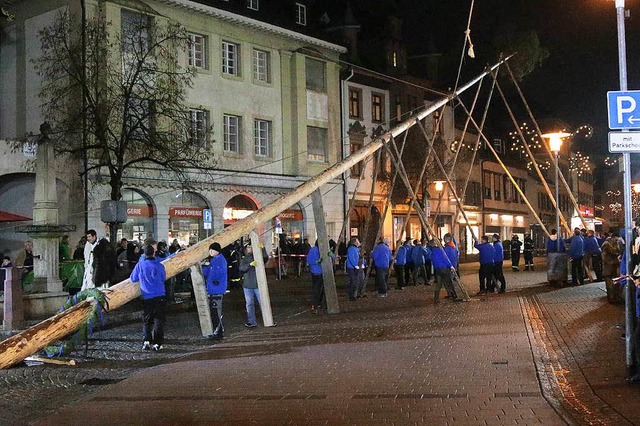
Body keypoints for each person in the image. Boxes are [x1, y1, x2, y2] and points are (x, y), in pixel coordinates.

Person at [131, 244, 166, 351]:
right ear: (154, 253)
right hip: (159, 295)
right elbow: (163, 278)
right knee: (158, 320)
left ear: (144, 254)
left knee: (147, 320)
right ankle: (157, 343)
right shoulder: (160, 266)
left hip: (147, 296)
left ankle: (147, 340)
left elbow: (133, 278)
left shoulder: (140, 265)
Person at [239, 242, 268, 327]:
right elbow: (241, 268)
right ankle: (251, 321)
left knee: (262, 303)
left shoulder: (258, 256)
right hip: (248, 285)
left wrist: (263, 249)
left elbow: (265, 258)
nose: (249, 249)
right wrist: (250, 265)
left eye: (250, 247)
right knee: (249, 304)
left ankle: (267, 320)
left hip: (257, 284)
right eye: (248, 247)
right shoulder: (244, 259)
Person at [202, 242, 228, 340]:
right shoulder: (214, 260)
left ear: (217, 251)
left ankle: (218, 333)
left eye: (212, 250)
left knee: (216, 312)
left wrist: (208, 268)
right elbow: (207, 272)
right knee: (214, 312)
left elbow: (217, 273)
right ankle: (217, 331)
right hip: (213, 289)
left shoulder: (219, 260)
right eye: (210, 250)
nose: (210, 252)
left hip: (216, 289)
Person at [601, 234, 622, 304]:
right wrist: (616, 260)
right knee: (610, 285)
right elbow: (605, 258)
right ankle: (612, 299)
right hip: (608, 269)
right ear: (613, 237)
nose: (617, 240)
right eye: (616, 239)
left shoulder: (615, 243)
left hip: (614, 268)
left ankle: (616, 298)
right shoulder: (606, 245)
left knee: (615, 284)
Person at [306, 240, 324, 313]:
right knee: (316, 288)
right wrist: (317, 261)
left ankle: (318, 302)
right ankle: (315, 304)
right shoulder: (313, 250)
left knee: (321, 288)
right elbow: (309, 260)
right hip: (316, 272)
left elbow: (332, 256)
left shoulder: (322, 249)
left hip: (322, 272)